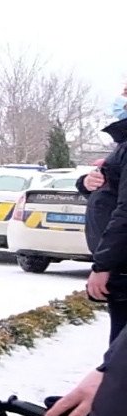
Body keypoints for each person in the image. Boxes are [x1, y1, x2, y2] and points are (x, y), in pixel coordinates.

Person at [82, 86, 127, 339]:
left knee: (120, 355)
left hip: (122, 267)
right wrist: (87, 183)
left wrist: (103, 266)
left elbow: (125, 212)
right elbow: (112, 195)